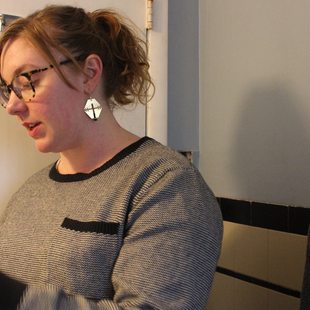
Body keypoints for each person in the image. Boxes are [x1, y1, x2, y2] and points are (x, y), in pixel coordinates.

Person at [0, 5, 223, 310]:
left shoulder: (165, 186)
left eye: (26, 82)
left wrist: (12, 297)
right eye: (8, 89)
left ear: (89, 73)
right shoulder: (28, 194)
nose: (12, 105)